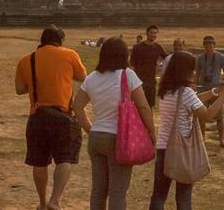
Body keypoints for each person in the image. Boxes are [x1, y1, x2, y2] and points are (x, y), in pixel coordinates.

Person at [73, 37, 156, 210]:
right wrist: (152, 132)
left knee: (98, 191)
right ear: (124, 55)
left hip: (96, 137)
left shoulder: (92, 78)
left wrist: (90, 129)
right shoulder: (128, 76)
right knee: (117, 191)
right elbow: (143, 106)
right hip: (120, 138)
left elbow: (77, 106)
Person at [150, 51, 224, 210]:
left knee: (159, 195)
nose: (195, 72)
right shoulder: (186, 92)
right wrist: (223, 95)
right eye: (192, 68)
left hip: (163, 147)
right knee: (183, 197)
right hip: (181, 150)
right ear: (185, 70)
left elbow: (192, 100)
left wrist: (215, 91)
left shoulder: (165, 90)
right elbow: (208, 116)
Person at [15, 25, 87, 210]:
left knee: (39, 161)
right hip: (63, 115)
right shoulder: (69, 55)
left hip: (37, 115)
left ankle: (41, 202)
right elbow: (82, 76)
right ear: (60, 41)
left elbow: (20, 89)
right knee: (65, 158)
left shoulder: (26, 60)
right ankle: (54, 200)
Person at [195, 35, 224, 148]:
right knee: (201, 115)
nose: (208, 45)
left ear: (214, 45)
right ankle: (202, 139)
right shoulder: (200, 58)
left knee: (220, 115)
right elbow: (197, 73)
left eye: (211, 43)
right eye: (206, 43)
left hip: (217, 88)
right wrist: (195, 86)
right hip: (203, 89)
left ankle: (221, 140)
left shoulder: (221, 57)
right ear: (203, 45)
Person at [130, 25, 167, 107]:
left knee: (150, 106)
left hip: (151, 81)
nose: (153, 35)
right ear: (147, 33)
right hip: (139, 81)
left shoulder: (158, 47)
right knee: (138, 106)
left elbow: (167, 59)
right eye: (151, 33)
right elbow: (132, 65)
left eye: (155, 33)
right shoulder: (137, 47)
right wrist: (133, 80)